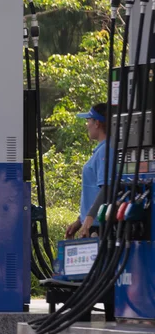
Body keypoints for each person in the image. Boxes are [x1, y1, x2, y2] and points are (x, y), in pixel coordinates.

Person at [65, 103, 114, 240]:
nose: (87, 125)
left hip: (98, 227)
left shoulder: (106, 150)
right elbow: (93, 193)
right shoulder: (101, 150)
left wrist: (89, 218)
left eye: (88, 120)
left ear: (97, 123)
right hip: (92, 224)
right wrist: (79, 220)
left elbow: (107, 188)